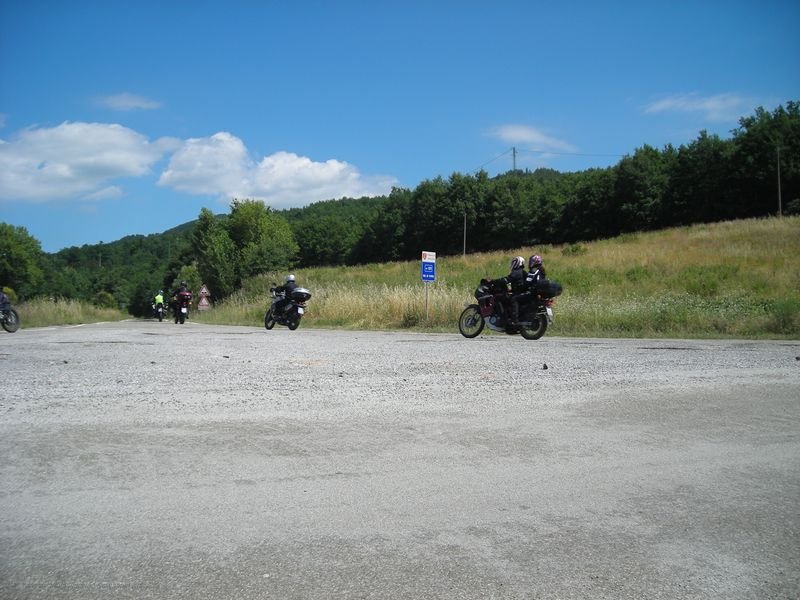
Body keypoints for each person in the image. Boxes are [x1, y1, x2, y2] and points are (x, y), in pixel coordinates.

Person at [505, 256, 527, 325]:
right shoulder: (523, 272)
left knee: (513, 299)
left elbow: (508, 280)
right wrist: (509, 289)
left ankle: (514, 320)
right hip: (521, 291)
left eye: (514, 262)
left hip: (518, 292)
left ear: (518, 263)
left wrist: (499, 282)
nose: (513, 264)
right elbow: (510, 283)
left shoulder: (516, 272)